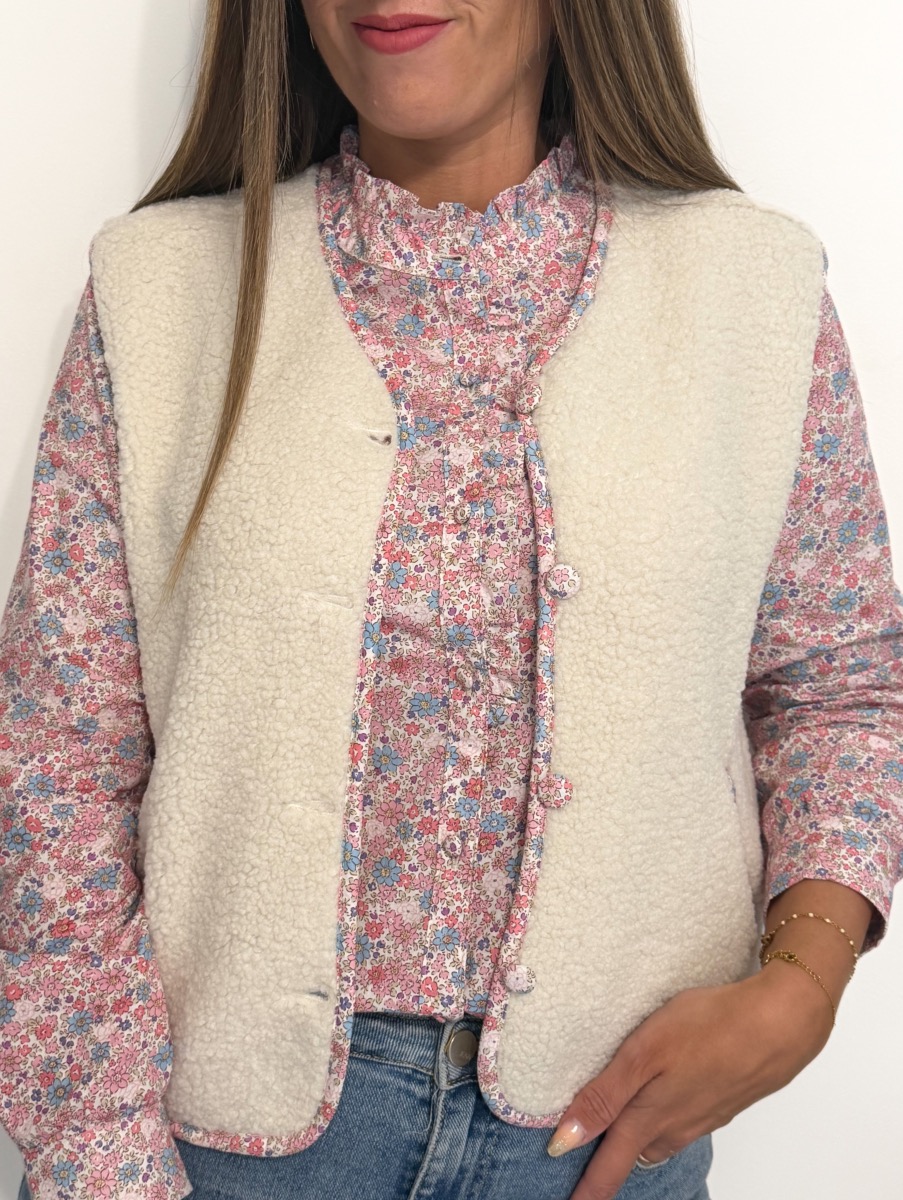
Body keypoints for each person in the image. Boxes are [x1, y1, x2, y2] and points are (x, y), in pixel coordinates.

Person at [2, 2, 901, 1198]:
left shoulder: (752, 293)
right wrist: (101, 1163)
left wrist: (803, 985)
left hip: (607, 1139)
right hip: (221, 1152)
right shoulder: (158, 293)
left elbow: (841, 687)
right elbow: (53, 768)